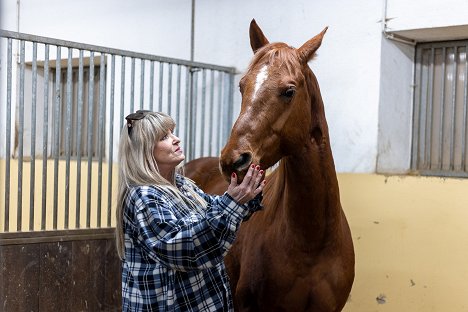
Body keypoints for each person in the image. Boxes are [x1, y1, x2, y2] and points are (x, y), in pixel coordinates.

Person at [115, 110, 265, 311]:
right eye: (164, 137)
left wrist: (245, 196)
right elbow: (186, 247)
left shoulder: (183, 185)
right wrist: (234, 203)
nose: (176, 139)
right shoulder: (144, 196)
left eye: (172, 132)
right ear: (145, 150)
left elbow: (214, 210)